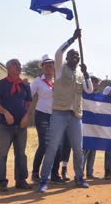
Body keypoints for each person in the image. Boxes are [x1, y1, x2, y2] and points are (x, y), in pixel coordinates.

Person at [38, 29, 94, 193]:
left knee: (78, 148)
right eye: (72, 55)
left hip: (76, 115)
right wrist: (73, 39)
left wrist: (86, 74)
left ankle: (79, 177)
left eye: (77, 56)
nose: (75, 57)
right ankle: (44, 180)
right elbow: (58, 52)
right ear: (67, 58)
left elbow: (89, 90)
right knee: (53, 146)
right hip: (59, 113)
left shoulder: (79, 75)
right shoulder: (60, 69)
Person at [0, 59, 33, 191]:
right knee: (2, 154)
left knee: (21, 154)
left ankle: (21, 180)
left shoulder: (25, 85)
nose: (19, 67)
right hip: (5, 126)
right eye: (16, 65)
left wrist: (27, 117)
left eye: (20, 65)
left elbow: (30, 104)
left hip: (21, 126)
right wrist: (5, 113)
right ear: (8, 68)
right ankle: (1, 182)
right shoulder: (2, 84)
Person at [29, 55, 65, 184]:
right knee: (44, 144)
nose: (49, 66)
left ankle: (55, 174)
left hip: (57, 115)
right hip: (42, 115)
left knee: (58, 146)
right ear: (43, 67)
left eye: (51, 64)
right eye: (47, 64)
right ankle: (35, 174)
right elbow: (28, 95)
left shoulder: (59, 80)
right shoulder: (38, 81)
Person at [82, 73, 101, 179]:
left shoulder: (98, 96)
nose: (94, 83)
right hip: (85, 125)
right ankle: (80, 172)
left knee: (93, 149)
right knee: (85, 149)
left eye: (96, 82)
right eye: (93, 81)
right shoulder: (83, 94)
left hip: (95, 126)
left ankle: (90, 172)